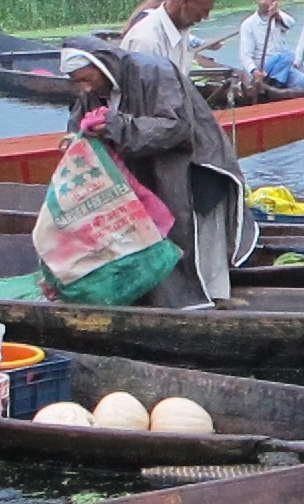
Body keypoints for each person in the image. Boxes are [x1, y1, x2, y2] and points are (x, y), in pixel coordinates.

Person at [59, 37, 256, 310]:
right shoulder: (94, 89)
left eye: (86, 79)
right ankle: (169, 301)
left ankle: (213, 304)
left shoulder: (154, 72)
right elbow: (80, 119)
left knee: (198, 248)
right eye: (77, 82)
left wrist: (118, 126)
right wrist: (74, 139)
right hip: (149, 170)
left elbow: (176, 127)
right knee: (156, 238)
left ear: (102, 65)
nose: (85, 87)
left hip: (193, 164)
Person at [122, 0, 216, 75]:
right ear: (184, 2)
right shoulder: (147, 42)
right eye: (203, 11)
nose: (205, 17)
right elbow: (142, 85)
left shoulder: (182, 28)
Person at [238, 0, 304, 95]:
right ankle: (274, 86)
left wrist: (277, 14)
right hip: (262, 68)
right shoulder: (248, 24)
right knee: (290, 55)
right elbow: (245, 56)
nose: (263, 1)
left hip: (281, 66)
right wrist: (254, 71)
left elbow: (291, 23)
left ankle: (276, 84)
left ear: (275, 0)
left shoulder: (278, 18)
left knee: (302, 80)